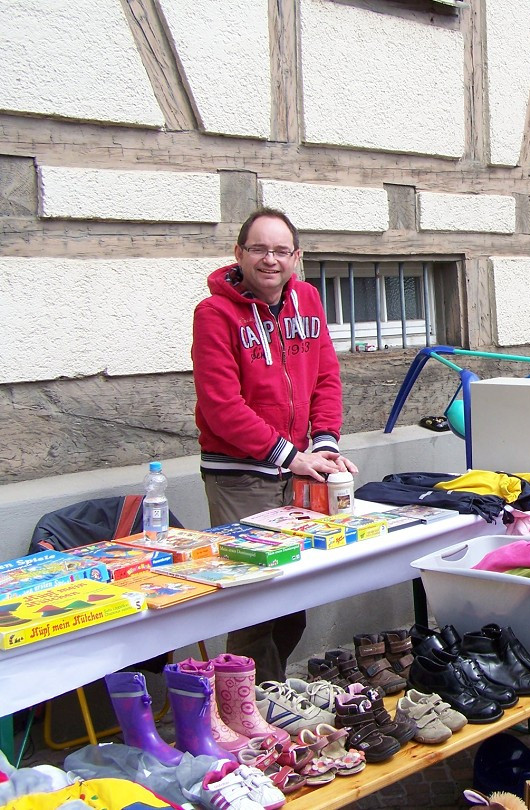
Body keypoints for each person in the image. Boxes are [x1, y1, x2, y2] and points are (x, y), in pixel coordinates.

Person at [192, 207, 358, 683]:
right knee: (253, 602)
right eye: (259, 249)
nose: (270, 259)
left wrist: (323, 444)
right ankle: (248, 709)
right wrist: (292, 455)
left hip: (301, 470)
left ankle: (273, 694)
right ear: (238, 253)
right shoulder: (214, 314)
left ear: (296, 257)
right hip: (240, 477)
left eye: (281, 250)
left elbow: (326, 377)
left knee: (292, 599)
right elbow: (223, 407)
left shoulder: (307, 299)